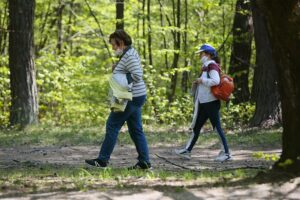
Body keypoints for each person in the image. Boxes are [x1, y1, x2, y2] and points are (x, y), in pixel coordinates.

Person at [85, 30, 151, 169]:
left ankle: (102, 160)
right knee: (136, 130)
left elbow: (138, 74)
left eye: (114, 45)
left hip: (130, 97)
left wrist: (121, 77)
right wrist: (118, 69)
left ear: (121, 42)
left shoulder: (130, 56)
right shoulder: (128, 54)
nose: (113, 48)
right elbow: (129, 70)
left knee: (112, 125)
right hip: (135, 96)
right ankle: (144, 162)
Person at [175, 44, 232, 162]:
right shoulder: (206, 66)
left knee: (217, 128)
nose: (200, 56)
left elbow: (215, 81)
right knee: (196, 127)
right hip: (204, 102)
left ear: (208, 54)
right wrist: (199, 82)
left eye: (201, 53)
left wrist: (202, 80)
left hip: (211, 102)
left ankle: (226, 154)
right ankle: (187, 151)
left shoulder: (212, 65)